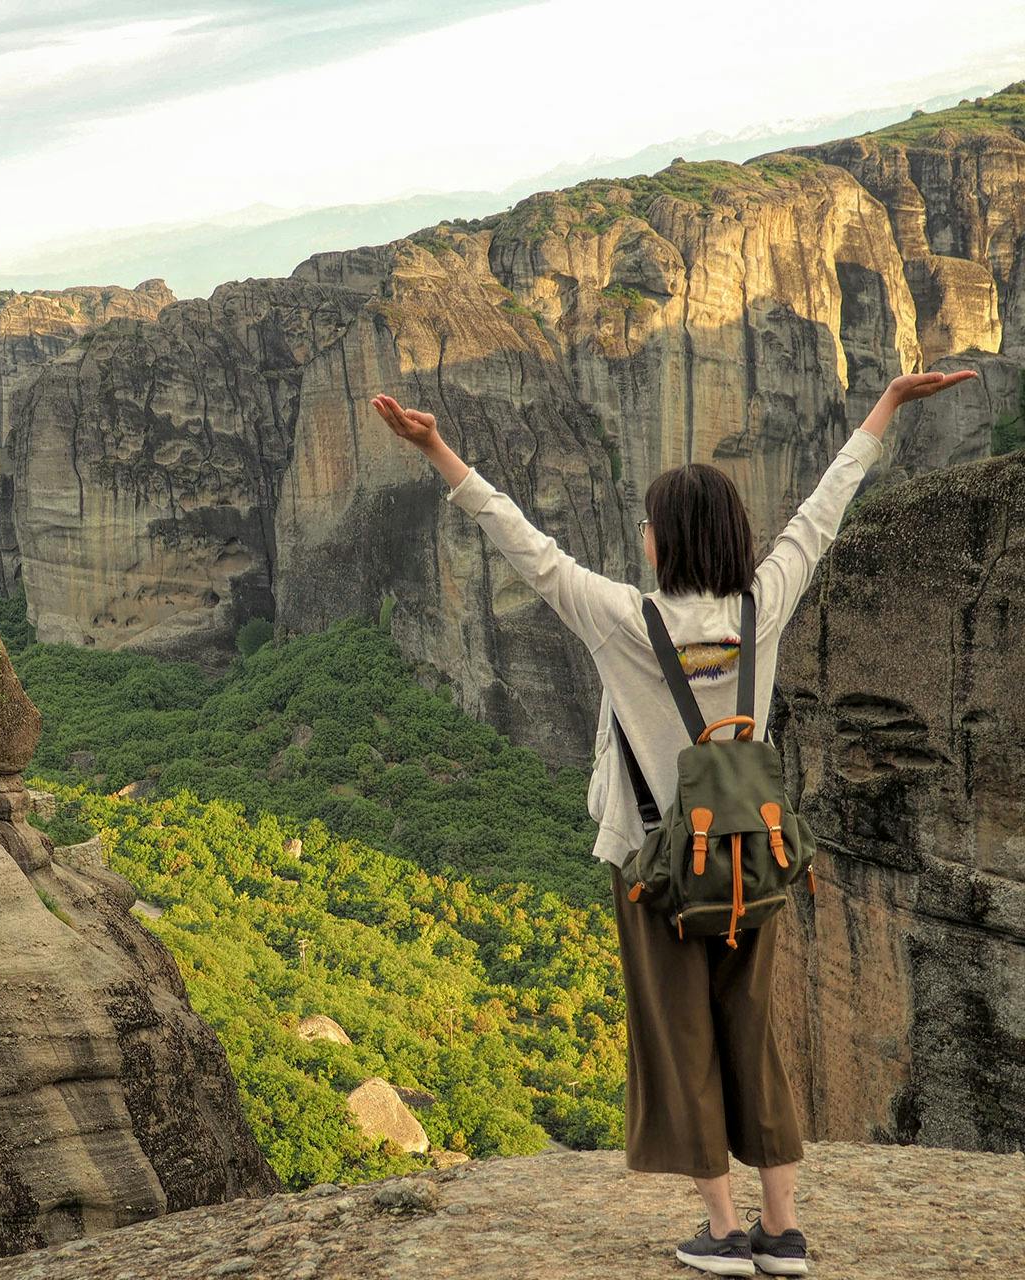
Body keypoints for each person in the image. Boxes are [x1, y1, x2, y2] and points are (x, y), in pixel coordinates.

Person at [372, 368, 976, 1277]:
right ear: (733, 536)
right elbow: (824, 509)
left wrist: (434, 451)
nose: (644, 536)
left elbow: (521, 542)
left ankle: (725, 1233)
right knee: (753, 1031)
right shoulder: (761, 607)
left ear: (666, 542)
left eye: (651, 525)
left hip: (654, 867)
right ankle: (786, 1231)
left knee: (679, 1036)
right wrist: (885, 408)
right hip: (756, 861)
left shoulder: (620, 618)